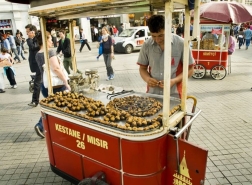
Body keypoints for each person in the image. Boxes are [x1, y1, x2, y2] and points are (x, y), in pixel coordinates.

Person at [137, 15, 194, 99]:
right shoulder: (147, 45)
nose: (157, 40)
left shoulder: (181, 44)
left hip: (174, 95)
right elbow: (142, 68)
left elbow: (190, 69)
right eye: (153, 36)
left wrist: (174, 81)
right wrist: (147, 79)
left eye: (160, 35)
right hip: (152, 95)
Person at [34, 31, 71, 138]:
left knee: (52, 106)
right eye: (50, 39)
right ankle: (42, 125)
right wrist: (65, 81)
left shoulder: (38, 54)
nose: (52, 41)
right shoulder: (50, 52)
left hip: (44, 85)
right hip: (56, 85)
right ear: (45, 40)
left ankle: (45, 126)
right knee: (63, 105)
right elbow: (56, 68)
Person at [25, 24, 41, 107]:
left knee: (37, 83)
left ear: (32, 31)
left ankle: (35, 101)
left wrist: (30, 39)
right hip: (36, 63)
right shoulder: (32, 39)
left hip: (40, 62)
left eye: (28, 32)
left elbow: (34, 47)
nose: (27, 34)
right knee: (38, 82)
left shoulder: (37, 38)